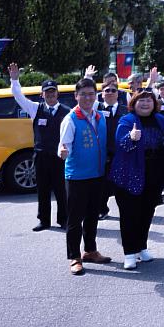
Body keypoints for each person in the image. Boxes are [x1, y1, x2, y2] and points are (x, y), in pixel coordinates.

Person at [109, 89, 164, 270]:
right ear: (134, 104)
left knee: (146, 213)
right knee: (129, 215)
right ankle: (129, 253)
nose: (145, 104)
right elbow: (120, 143)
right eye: (141, 101)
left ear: (154, 103)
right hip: (130, 174)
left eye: (149, 101)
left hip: (153, 173)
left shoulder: (160, 119)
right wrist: (131, 137)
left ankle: (141, 247)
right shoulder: (127, 120)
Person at [58, 78, 112, 275]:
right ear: (76, 96)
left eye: (91, 94)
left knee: (92, 216)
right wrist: (63, 152)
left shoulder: (99, 116)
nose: (88, 98)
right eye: (84, 94)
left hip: (97, 174)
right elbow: (63, 146)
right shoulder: (70, 119)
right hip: (77, 177)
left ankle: (90, 250)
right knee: (75, 219)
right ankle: (74, 257)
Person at [9, 63, 70, 232]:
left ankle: (64, 219)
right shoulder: (36, 109)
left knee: (60, 190)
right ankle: (44, 220)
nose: (50, 95)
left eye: (53, 92)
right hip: (41, 156)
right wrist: (15, 80)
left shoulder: (67, 111)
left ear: (57, 93)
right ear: (42, 94)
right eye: (47, 92)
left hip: (60, 156)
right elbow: (18, 97)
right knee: (42, 189)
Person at [95, 80, 127, 220]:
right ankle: (102, 209)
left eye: (113, 90)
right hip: (102, 153)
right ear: (102, 94)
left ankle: (126, 211)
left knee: (121, 184)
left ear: (118, 94)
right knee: (102, 185)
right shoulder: (96, 110)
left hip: (121, 153)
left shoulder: (125, 110)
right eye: (107, 90)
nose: (110, 93)